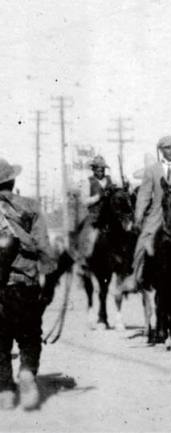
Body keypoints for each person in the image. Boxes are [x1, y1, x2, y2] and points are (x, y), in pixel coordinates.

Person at [0, 158, 57, 411]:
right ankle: (26, 374)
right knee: (30, 335)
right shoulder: (30, 207)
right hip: (25, 283)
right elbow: (44, 247)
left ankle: (3, 390)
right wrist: (49, 274)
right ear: (12, 181)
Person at [123, 136, 171, 293]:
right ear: (161, 150)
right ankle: (135, 274)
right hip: (157, 213)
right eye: (167, 148)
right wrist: (139, 215)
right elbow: (144, 194)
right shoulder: (152, 170)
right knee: (143, 239)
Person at [73, 155, 113, 261]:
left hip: (110, 215)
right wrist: (98, 196)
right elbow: (84, 201)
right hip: (94, 216)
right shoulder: (88, 182)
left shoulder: (111, 180)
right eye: (97, 169)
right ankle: (84, 261)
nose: (100, 171)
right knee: (88, 239)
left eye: (102, 169)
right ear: (93, 169)